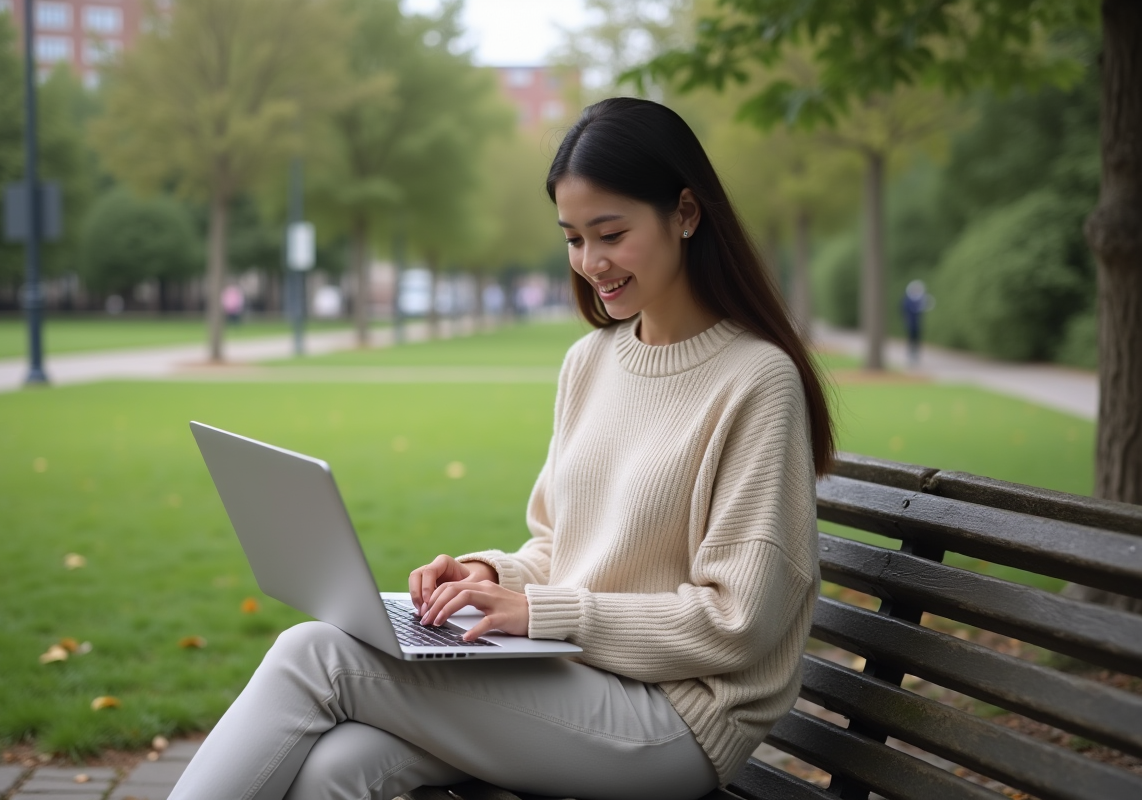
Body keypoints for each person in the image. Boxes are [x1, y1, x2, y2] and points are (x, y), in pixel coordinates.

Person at [168, 97, 833, 800]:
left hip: (675, 722)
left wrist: (544, 614)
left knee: (317, 655)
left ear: (687, 214)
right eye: (573, 238)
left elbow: (739, 623)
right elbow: (561, 548)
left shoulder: (756, 380)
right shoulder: (590, 362)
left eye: (610, 233)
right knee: (342, 767)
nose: (591, 263)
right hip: (576, 682)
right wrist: (488, 579)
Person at [901, 280, 933, 367]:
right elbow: (905, 310)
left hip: (918, 324)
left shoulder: (919, 300)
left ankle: (916, 355)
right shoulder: (908, 300)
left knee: (917, 340)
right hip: (910, 324)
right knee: (911, 340)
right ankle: (910, 356)